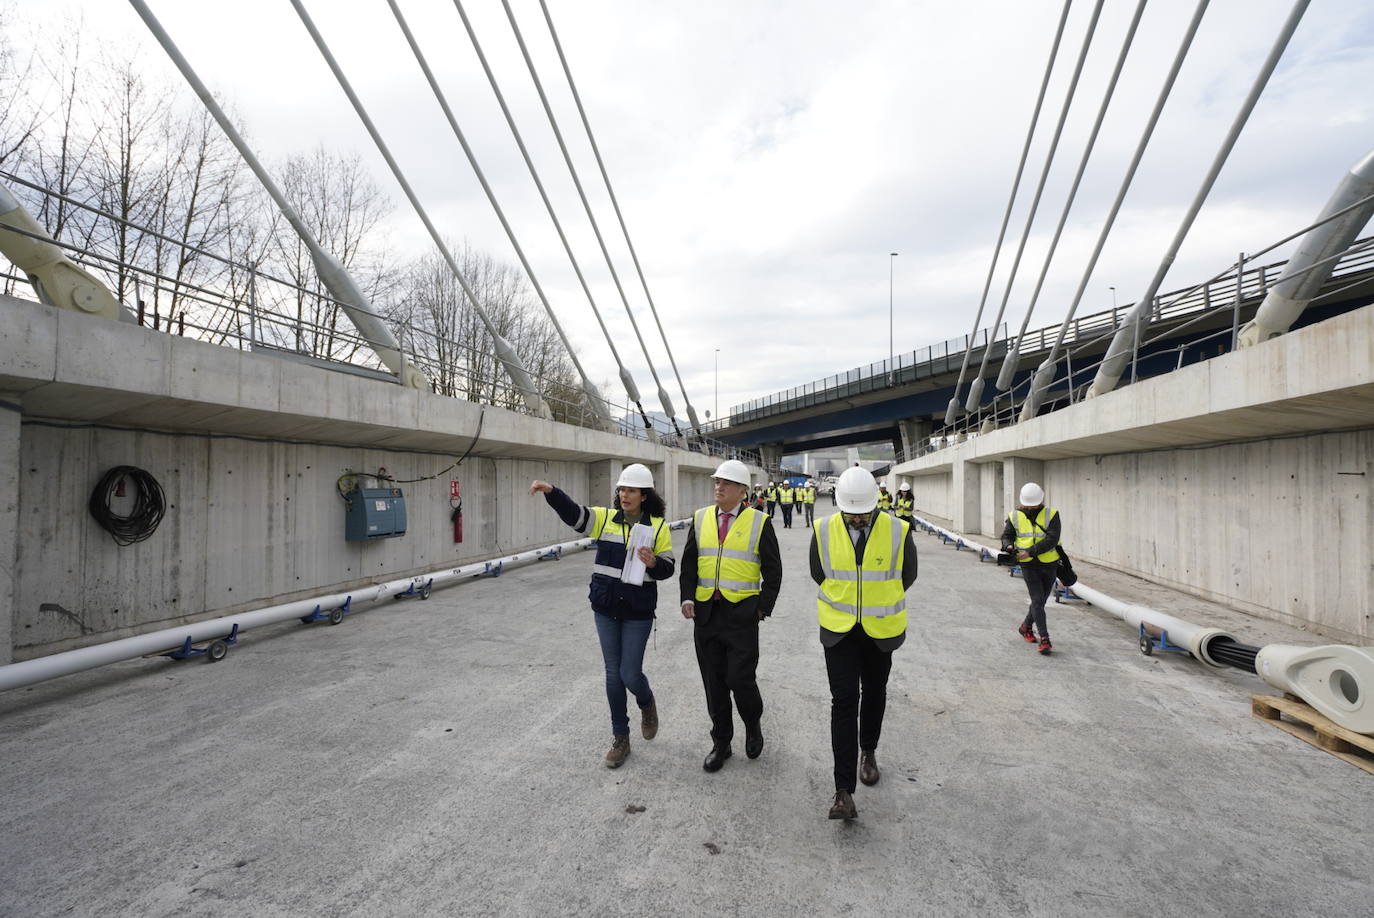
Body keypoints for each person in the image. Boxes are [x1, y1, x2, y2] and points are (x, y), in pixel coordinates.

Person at [530, 463, 675, 767]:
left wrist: (653, 563)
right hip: (606, 608)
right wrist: (552, 493)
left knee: (629, 674)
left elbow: (669, 568)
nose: (624, 494)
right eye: (621, 489)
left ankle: (646, 703)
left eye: (631, 490)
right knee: (612, 673)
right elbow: (577, 516)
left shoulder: (658, 527)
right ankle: (620, 738)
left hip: (637, 612)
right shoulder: (607, 519)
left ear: (644, 495)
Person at [811, 466, 917, 820]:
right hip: (839, 630)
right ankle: (843, 792)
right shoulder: (823, 529)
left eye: (863, 513)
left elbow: (908, 574)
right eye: (850, 514)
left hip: (879, 630)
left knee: (874, 693)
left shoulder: (898, 530)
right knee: (843, 701)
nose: (857, 519)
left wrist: (875, 598)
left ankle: (868, 751)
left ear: (876, 504)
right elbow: (818, 572)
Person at [680, 459, 783, 772]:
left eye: (725, 483)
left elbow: (773, 569)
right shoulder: (700, 519)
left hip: (741, 615)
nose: (718, 488)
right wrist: (686, 597)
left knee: (740, 679)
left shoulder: (759, 522)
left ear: (742, 491)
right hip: (707, 614)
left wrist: (762, 607)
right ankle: (721, 742)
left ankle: (752, 724)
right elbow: (689, 564)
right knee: (714, 683)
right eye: (716, 482)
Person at [1001, 482, 1060, 655]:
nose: (1031, 507)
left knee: (1040, 601)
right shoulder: (1014, 516)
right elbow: (1007, 536)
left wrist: (1030, 552)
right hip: (1029, 565)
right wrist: (1009, 546)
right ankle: (1045, 638)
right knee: (1037, 599)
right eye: (1029, 504)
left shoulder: (1052, 515)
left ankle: (1025, 627)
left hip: (1050, 563)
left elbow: (1052, 539)